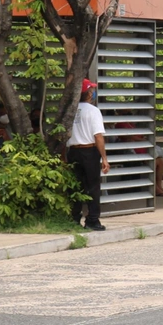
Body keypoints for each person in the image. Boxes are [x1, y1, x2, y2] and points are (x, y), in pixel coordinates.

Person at [66, 79, 109, 230]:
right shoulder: (93, 111)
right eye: (92, 91)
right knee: (93, 187)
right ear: (89, 94)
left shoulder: (70, 111)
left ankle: (74, 218)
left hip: (73, 152)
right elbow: (98, 136)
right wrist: (104, 158)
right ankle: (92, 220)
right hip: (89, 152)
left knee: (75, 186)